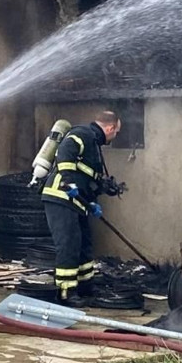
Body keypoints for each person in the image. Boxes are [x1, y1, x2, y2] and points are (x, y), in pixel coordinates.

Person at [41, 111, 122, 307]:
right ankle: (66, 291)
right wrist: (68, 183)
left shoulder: (94, 144)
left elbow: (86, 177)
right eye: (116, 132)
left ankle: (85, 286)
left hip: (77, 203)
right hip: (61, 197)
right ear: (110, 128)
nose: (115, 136)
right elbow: (65, 152)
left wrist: (94, 199)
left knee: (83, 244)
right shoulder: (83, 133)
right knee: (68, 244)